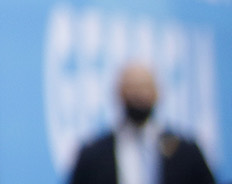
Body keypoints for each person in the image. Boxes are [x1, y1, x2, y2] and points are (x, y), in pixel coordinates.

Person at [69, 62, 217, 184]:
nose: (138, 95)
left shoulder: (186, 153)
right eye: (131, 88)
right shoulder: (93, 155)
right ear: (118, 92)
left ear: (157, 92)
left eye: (144, 87)